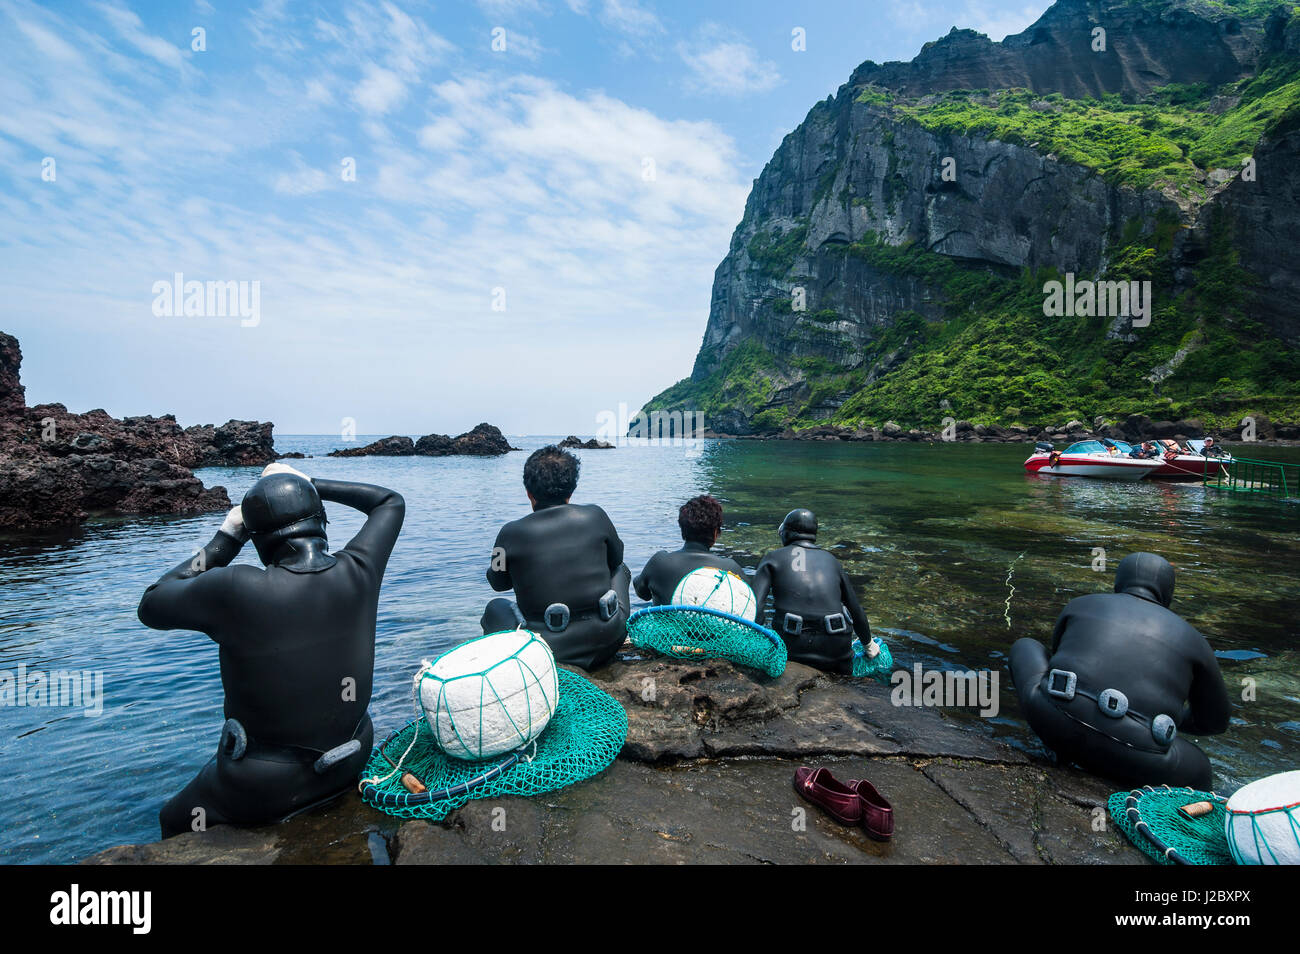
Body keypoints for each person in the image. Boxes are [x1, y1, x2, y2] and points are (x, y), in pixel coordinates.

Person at [138, 463, 405, 837]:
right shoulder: (361, 568)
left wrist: (226, 538)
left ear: (257, 538)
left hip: (269, 784)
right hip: (351, 755)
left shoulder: (235, 588)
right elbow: (389, 502)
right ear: (322, 521)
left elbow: (151, 604)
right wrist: (310, 483)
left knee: (174, 818)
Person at [1009, 552, 1229, 789]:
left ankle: (1060, 751)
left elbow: (1057, 660)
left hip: (1053, 721)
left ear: (1118, 583)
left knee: (1026, 645)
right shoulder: (1195, 640)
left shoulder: (1081, 604)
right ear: (1168, 595)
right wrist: (1167, 717)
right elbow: (1214, 723)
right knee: (1201, 766)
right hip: (1137, 756)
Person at [482, 445, 631, 670]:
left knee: (495, 608)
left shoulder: (508, 533)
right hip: (608, 638)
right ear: (571, 490)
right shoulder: (596, 516)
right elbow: (616, 561)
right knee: (622, 569)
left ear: (528, 492)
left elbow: (497, 583)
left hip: (547, 651)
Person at [751, 508, 871, 675]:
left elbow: (756, 607)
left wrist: (756, 642)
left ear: (786, 532)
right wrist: (868, 645)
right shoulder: (832, 560)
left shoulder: (773, 558)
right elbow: (856, 610)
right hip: (837, 654)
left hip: (792, 652)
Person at [634, 495, 746, 604]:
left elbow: (642, 593)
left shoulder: (660, 562)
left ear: (682, 529)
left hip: (667, 622)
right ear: (716, 532)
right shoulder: (732, 569)